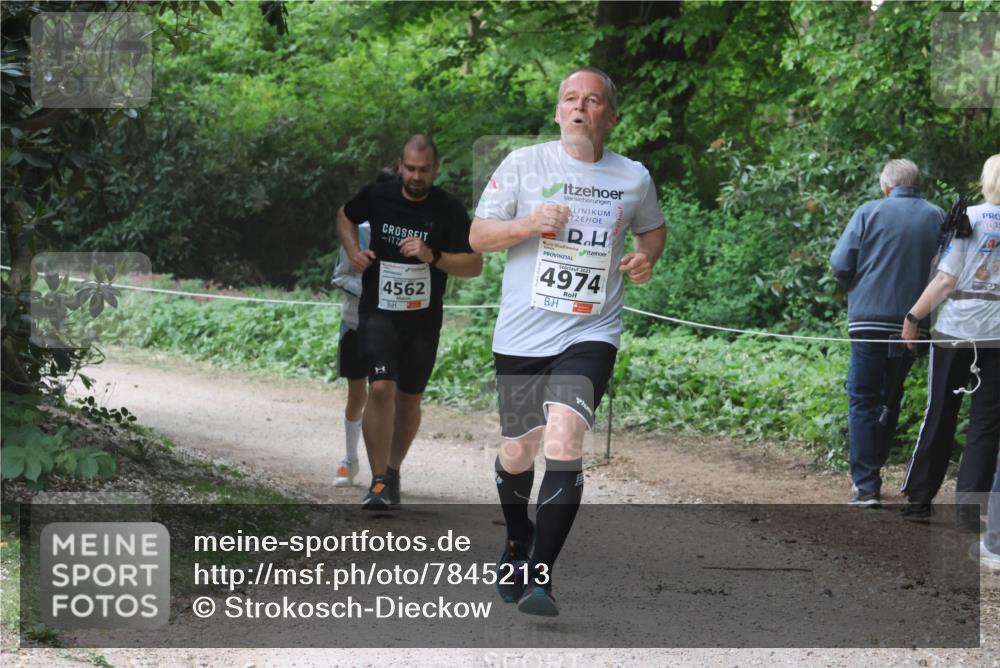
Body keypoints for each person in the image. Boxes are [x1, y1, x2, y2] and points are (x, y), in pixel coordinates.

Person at [470, 67, 666, 616]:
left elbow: (652, 228)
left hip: (590, 331)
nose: (580, 107)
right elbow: (478, 236)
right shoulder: (523, 164)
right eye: (570, 99)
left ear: (611, 116)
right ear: (558, 111)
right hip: (521, 333)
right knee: (517, 452)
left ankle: (541, 575)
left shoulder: (633, 177)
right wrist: (529, 223)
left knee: (564, 440)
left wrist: (646, 257)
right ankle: (516, 539)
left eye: (593, 100)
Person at [336, 136, 482, 510]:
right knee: (381, 388)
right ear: (400, 166)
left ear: (436, 168)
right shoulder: (377, 195)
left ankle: (393, 468)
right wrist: (354, 252)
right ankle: (379, 480)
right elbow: (345, 216)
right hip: (378, 310)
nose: (416, 177)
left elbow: (473, 264)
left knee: (409, 398)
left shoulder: (448, 208)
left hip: (422, 318)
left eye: (424, 170)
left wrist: (432, 256)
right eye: (410, 169)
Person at [829, 159, 943, 508]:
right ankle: (875, 471)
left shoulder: (868, 212)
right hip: (914, 325)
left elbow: (840, 263)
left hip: (868, 322)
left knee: (863, 399)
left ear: (886, 186)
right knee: (890, 398)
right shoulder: (937, 216)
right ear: (917, 184)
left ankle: (866, 485)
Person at [900, 154, 1000, 529]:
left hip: (956, 331)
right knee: (986, 424)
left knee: (940, 411)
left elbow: (945, 280)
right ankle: (969, 512)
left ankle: (920, 499)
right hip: (997, 336)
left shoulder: (968, 217)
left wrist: (913, 317)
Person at [330, 166, 399, 487]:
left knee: (384, 394)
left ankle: (383, 473)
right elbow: (339, 275)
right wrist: (370, 291)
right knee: (357, 394)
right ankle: (349, 458)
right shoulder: (358, 231)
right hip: (356, 323)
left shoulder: (406, 231)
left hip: (393, 329)